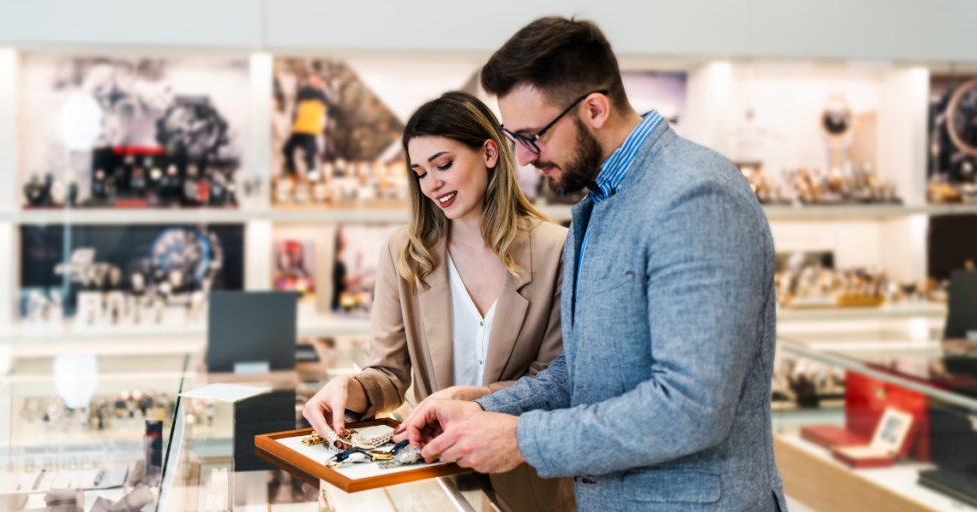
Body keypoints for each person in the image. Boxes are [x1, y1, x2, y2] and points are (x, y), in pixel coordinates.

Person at [400, 17, 788, 512]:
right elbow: (581, 375)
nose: (521, 159)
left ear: (595, 110)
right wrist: (478, 410)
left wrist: (522, 439)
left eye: (532, 136)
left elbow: (691, 408)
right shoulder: (598, 205)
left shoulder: (695, 195)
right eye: (514, 137)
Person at [303, 91, 576, 512]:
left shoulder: (556, 249)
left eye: (443, 165)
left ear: (489, 152)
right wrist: (348, 388)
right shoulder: (403, 252)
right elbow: (389, 375)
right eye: (419, 173)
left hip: (527, 484)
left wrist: (473, 399)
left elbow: (555, 383)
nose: (432, 185)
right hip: (434, 482)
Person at [282, 73, 330, 181]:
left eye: (315, 79)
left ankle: (312, 179)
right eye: (311, 79)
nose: (313, 82)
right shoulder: (305, 92)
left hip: (310, 129)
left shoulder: (321, 94)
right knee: (287, 149)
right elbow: (299, 100)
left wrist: (320, 86)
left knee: (310, 154)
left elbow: (326, 101)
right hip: (299, 128)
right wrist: (292, 124)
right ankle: (294, 173)